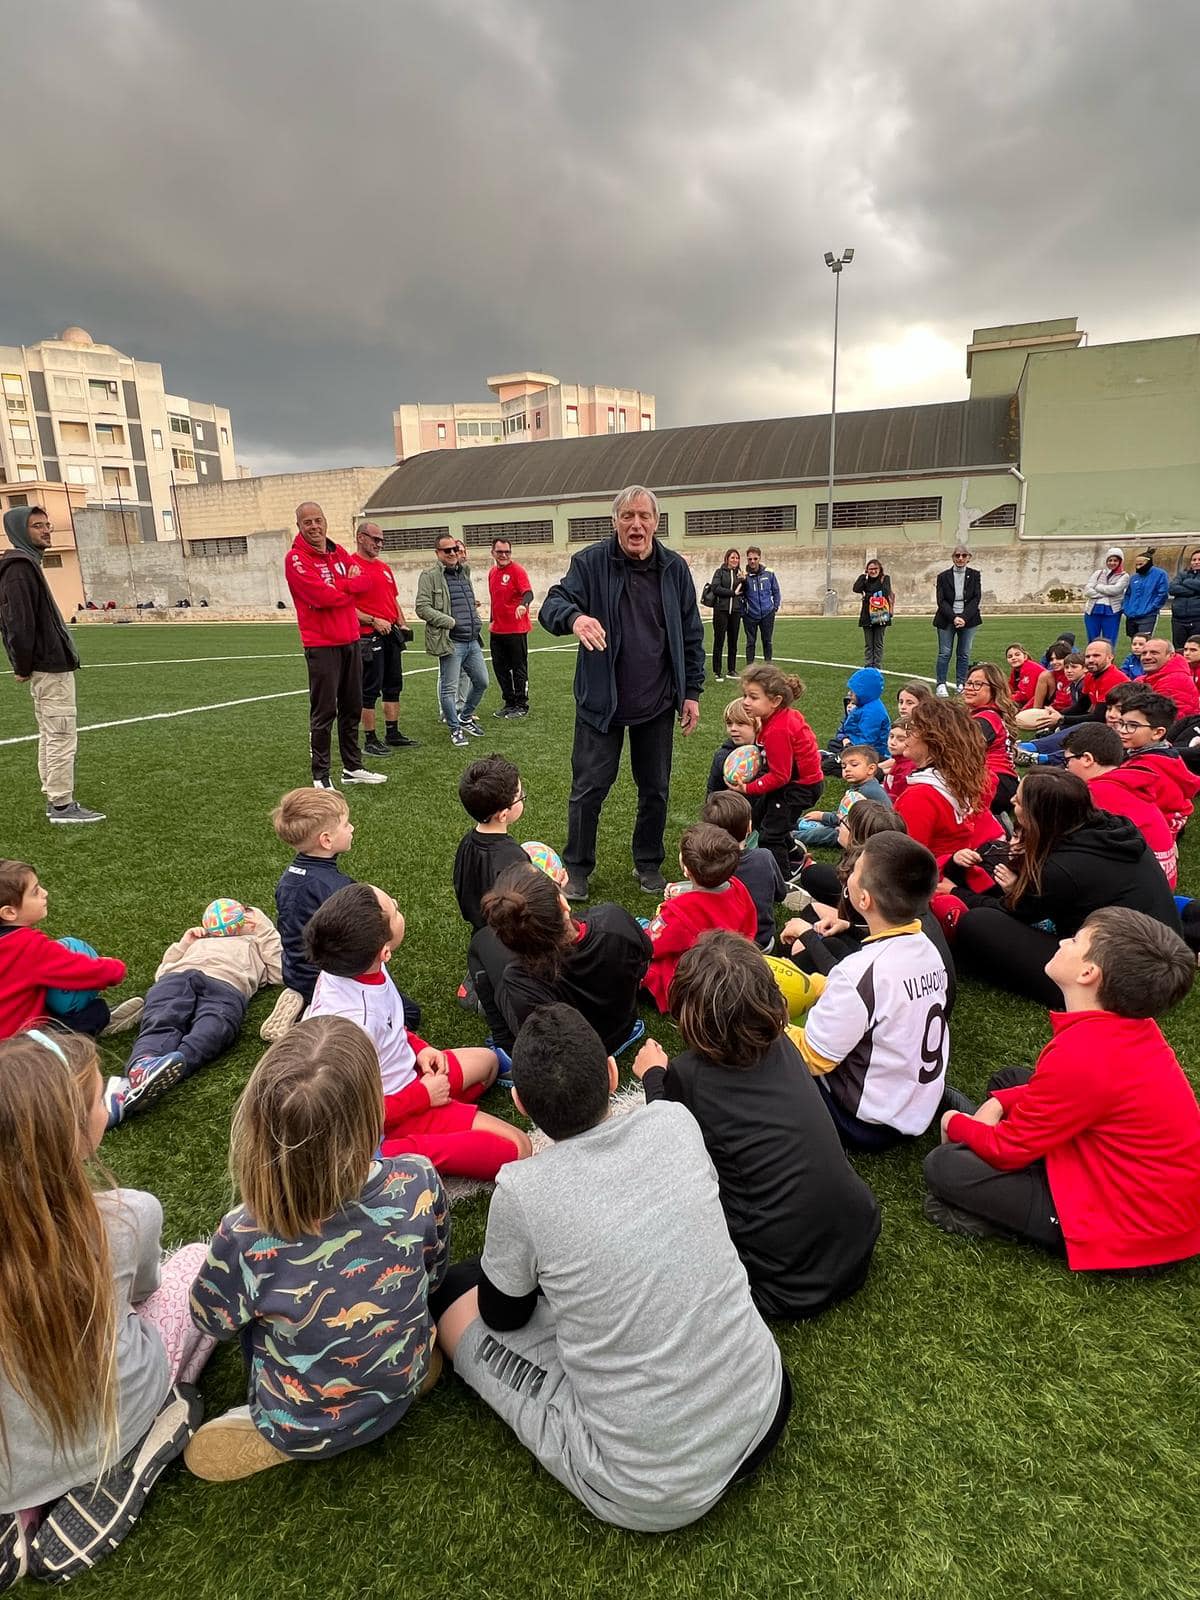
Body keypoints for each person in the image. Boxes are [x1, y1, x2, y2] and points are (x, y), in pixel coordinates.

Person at [434, 1003, 790, 1533]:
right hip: (766, 1398)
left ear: (520, 1103)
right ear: (611, 1072)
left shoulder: (522, 1189)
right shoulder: (673, 1121)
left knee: (455, 1299)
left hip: (651, 1487)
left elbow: (503, 1317)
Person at [185, 1016, 449, 1481]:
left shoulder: (244, 1233)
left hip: (301, 1420)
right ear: (373, 1115)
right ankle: (394, 1379)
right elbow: (435, 1269)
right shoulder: (418, 1177)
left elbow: (212, 1322)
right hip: (403, 1380)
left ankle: (288, 1430)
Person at [0, 1030, 212, 1582]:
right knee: (195, 1263)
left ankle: (20, 1513)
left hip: (7, 1463)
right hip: (116, 1416)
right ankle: (141, 1445)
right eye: (99, 1096)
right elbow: (144, 1294)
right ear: (74, 1136)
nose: (108, 1099)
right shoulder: (125, 1216)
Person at [925, 909, 1200, 1271]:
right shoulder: (1129, 1028)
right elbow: (1071, 1095)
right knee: (1009, 1082)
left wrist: (954, 1121)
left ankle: (1017, 1219)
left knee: (944, 1166)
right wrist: (997, 1105)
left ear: (1089, 974)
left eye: (1075, 940)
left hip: (1134, 1229)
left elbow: (1007, 1149)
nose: (1062, 941)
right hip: (1138, 1185)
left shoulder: (1085, 1055)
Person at [634, 930, 881, 1317]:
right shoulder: (783, 1043)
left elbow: (666, 1154)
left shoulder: (686, 1075)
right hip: (858, 1238)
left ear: (688, 1010)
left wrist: (653, 1077)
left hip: (783, 1283)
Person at [538, 486, 704, 900]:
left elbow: (690, 633)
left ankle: (648, 862)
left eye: (644, 516)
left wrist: (692, 691)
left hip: (658, 701)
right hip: (601, 704)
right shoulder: (590, 563)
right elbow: (551, 605)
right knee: (589, 788)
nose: (636, 524)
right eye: (627, 516)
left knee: (655, 788)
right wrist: (574, 618)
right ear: (614, 522)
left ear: (655, 522)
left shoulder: (674, 569)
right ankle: (576, 867)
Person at [305, 882, 530, 1177]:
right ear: (384, 950)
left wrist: (419, 1048)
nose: (398, 904)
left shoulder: (353, 963)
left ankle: (441, 1118)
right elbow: (350, 1113)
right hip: (382, 1121)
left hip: (410, 1079)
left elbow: (390, 1027)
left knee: (489, 1064)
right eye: (394, 910)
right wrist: (423, 1097)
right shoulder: (350, 1026)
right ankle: (387, 1159)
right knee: (519, 1148)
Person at [953, 770, 1182, 1007]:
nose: (1011, 801)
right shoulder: (1112, 828)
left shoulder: (1062, 869)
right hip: (1163, 953)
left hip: (1122, 980)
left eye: (1019, 801)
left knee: (979, 922)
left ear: (1040, 814)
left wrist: (956, 893)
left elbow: (1013, 909)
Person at [789, 832, 949, 1150]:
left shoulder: (861, 972)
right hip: (914, 1108)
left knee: (761, 1044)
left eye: (856, 869)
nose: (848, 872)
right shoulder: (929, 949)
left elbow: (812, 1058)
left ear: (864, 900)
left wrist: (770, 1019)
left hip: (863, 1121)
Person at [103, 900, 283, 1127]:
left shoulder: (256, 944)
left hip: (226, 984)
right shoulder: (201, 941)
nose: (243, 919)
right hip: (179, 976)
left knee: (216, 1026)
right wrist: (184, 944)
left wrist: (264, 931)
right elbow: (162, 972)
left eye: (249, 916)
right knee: (163, 1015)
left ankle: (176, 1063)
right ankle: (144, 1063)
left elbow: (280, 972)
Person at [469, 861, 650, 1053]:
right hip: (623, 1029)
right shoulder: (613, 919)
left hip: (577, 1054)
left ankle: (506, 1046)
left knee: (480, 942)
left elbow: (538, 1035)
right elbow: (646, 955)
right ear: (562, 902)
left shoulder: (519, 977)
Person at [0, 505, 103, 824]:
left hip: (51, 664)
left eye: (47, 525)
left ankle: (56, 799)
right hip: (49, 667)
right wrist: (22, 664)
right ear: (19, 531)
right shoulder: (20, 567)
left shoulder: (28, 564)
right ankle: (61, 806)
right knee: (60, 733)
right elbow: (17, 621)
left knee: (52, 732)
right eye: (36, 526)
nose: (46, 530)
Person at [283, 502, 385, 791]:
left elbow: (366, 581)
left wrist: (341, 588)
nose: (314, 526)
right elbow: (321, 596)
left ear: (325, 521)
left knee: (352, 706)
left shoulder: (338, 551)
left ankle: (352, 767)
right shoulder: (296, 559)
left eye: (318, 520)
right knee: (324, 711)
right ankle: (321, 774)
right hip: (322, 644)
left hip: (350, 639)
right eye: (307, 523)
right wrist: (346, 588)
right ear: (300, 526)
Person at [0, 860, 142, 1040]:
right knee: (95, 1012)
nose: (45, 893)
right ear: (9, 913)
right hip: (16, 1046)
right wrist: (116, 968)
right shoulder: (27, 946)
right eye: (35, 892)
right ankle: (92, 1028)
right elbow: (86, 972)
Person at [643, 823, 757, 1011]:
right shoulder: (737, 887)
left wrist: (655, 922)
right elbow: (749, 926)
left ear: (687, 869)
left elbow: (652, 947)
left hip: (692, 983)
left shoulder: (679, 911)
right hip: (732, 969)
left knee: (636, 959)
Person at [731, 665, 823, 880]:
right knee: (762, 818)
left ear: (775, 700)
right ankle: (794, 853)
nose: (745, 702)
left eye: (753, 697)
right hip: (792, 784)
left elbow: (780, 776)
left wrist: (749, 787)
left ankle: (785, 879)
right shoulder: (777, 717)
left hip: (798, 789)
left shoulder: (778, 730)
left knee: (770, 836)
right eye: (745, 695)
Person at [1062, 723, 1177, 884]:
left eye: (1067, 760)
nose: (1066, 767)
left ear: (1087, 759)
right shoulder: (1124, 781)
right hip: (1161, 877)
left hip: (1137, 886)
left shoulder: (1096, 792)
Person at [893, 698, 998, 872]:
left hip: (932, 884)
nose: (908, 734)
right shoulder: (969, 777)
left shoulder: (919, 797)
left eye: (913, 728)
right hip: (956, 874)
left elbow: (905, 863)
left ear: (933, 741)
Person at [415, 533, 490, 750]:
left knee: (482, 682)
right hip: (451, 641)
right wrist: (450, 622)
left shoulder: (463, 572)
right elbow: (422, 607)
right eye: (446, 550)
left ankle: (465, 717)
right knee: (449, 689)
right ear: (438, 553)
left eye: (455, 549)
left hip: (472, 640)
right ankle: (454, 727)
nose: (452, 553)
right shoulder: (429, 575)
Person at [351, 521, 416, 757]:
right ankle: (370, 738)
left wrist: (402, 622)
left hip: (391, 635)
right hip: (368, 637)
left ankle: (393, 733)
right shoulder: (351, 566)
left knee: (394, 685)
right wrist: (372, 620)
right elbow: (345, 606)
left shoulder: (384, 568)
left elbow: (393, 599)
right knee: (369, 689)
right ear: (360, 538)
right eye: (374, 539)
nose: (379, 544)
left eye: (381, 540)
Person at [701, 789, 786, 951]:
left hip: (720, 947)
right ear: (749, 826)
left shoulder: (705, 867)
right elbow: (780, 894)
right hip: (762, 942)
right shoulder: (764, 857)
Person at [452, 755, 529, 934]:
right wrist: (554, 886)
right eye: (520, 795)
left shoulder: (467, 842)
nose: (523, 796)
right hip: (511, 937)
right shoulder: (514, 857)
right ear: (503, 815)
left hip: (481, 931)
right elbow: (528, 904)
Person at [796, 745, 890, 849]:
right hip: (849, 825)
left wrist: (823, 816)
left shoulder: (866, 791)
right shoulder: (860, 787)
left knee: (825, 834)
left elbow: (849, 819)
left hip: (862, 836)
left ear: (871, 769)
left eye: (854, 765)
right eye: (844, 766)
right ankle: (791, 826)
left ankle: (792, 836)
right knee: (806, 820)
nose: (847, 769)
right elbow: (844, 814)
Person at [961, 662, 1018, 816]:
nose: (970, 688)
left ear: (994, 689)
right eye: (969, 683)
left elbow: (959, 750)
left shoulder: (987, 718)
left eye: (978, 684)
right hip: (1000, 782)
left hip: (996, 783)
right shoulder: (987, 714)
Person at [487, 535, 534, 718]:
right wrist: (492, 619)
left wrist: (523, 605)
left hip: (516, 630)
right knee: (500, 668)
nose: (504, 555)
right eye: (500, 552)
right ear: (493, 552)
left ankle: (521, 704)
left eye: (507, 552)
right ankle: (509, 702)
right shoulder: (492, 572)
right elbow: (495, 600)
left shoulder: (517, 571)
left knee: (518, 668)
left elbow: (528, 593)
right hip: (497, 630)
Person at [932, 544, 982, 696]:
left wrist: (964, 617)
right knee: (944, 653)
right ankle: (941, 683)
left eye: (964, 555)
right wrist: (954, 617)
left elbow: (976, 598)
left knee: (964, 653)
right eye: (957, 555)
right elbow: (941, 600)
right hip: (946, 619)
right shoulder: (943, 576)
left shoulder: (974, 575)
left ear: (969, 558)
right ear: (953, 557)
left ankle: (961, 682)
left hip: (969, 619)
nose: (960, 558)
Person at [820, 667, 891, 772]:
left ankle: (838, 758)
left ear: (863, 693)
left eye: (853, 692)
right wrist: (845, 739)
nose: (849, 694)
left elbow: (866, 743)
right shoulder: (863, 706)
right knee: (834, 743)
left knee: (826, 767)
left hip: (872, 753)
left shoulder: (873, 712)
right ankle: (838, 756)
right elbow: (849, 728)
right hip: (855, 745)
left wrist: (849, 746)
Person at [706, 697, 762, 795]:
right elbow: (713, 791)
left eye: (740, 723)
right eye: (729, 723)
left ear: (757, 724)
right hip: (733, 807)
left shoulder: (767, 753)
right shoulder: (722, 756)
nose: (733, 728)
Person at [705, 548, 745, 682]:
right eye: (732, 557)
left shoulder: (740, 573)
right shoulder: (719, 572)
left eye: (737, 558)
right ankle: (717, 671)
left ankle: (731, 670)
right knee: (719, 641)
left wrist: (744, 581)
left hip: (735, 611)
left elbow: (745, 591)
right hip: (721, 610)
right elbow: (716, 588)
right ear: (727, 559)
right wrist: (732, 593)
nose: (735, 560)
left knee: (733, 641)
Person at [1138, 636, 1200, 720]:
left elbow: (1160, 718)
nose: (1147, 657)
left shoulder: (1176, 680)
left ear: (1170, 656)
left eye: (1154, 653)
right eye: (1144, 653)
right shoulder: (1143, 679)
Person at [1082, 547, 1129, 647]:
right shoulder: (1098, 573)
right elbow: (1087, 591)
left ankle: (1109, 660)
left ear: (1120, 561)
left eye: (1115, 560)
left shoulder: (1124, 576)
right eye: (1110, 560)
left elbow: (1116, 590)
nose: (1112, 563)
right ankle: (1093, 660)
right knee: (1092, 639)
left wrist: (1098, 587)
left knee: (1109, 639)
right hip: (1093, 610)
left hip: (1112, 611)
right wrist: (1105, 593)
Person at [741, 546, 781, 663]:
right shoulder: (744, 575)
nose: (752, 561)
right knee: (750, 642)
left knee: (767, 641)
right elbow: (740, 595)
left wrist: (775, 606)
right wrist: (744, 612)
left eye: (755, 558)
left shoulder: (769, 573)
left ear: (760, 558)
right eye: (750, 559)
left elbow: (776, 590)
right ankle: (750, 667)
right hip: (750, 615)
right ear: (747, 559)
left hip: (767, 613)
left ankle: (768, 666)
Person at [852, 558, 894, 668]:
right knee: (868, 644)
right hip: (867, 615)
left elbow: (885, 592)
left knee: (878, 643)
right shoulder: (865, 580)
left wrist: (868, 596)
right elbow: (856, 589)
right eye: (870, 569)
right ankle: (868, 665)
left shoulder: (885, 579)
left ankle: (877, 665)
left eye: (875, 568)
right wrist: (863, 576)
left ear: (880, 569)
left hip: (881, 614)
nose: (873, 571)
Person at [1123, 550, 1169, 638]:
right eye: (1136, 564)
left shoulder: (1160, 574)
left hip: (1148, 615)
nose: (1138, 567)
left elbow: (1162, 594)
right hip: (1131, 615)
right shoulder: (1134, 577)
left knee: (1144, 641)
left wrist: (1151, 608)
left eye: (1141, 564)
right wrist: (1126, 608)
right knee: (1134, 643)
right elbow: (1128, 594)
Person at [1168, 550, 1200, 649]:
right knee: (1179, 649)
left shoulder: (1183, 578)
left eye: (1199, 559)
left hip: (1197, 619)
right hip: (1178, 619)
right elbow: (1172, 588)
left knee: (1196, 648)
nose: (1196, 562)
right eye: (1194, 560)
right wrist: (1194, 591)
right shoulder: (1182, 574)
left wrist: (1185, 582)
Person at [1005, 643, 1043, 709]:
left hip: (1044, 702)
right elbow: (1010, 687)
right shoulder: (1015, 670)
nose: (1013, 658)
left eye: (1017, 655)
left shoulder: (1029, 667)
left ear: (1025, 657)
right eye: (1010, 657)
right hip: (1034, 700)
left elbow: (1025, 695)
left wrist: (1005, 698)